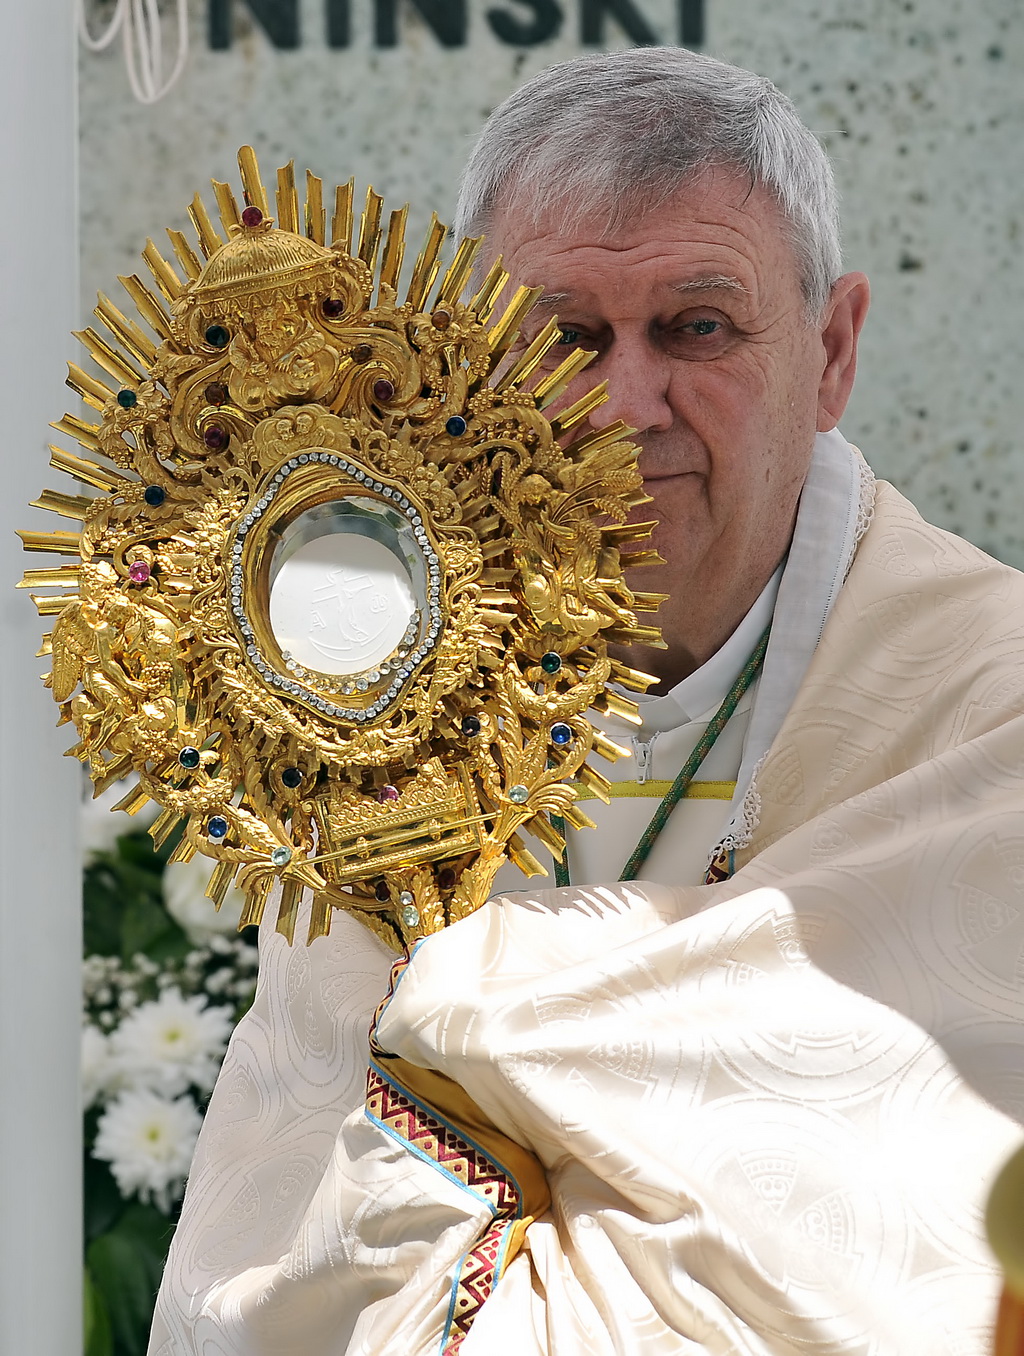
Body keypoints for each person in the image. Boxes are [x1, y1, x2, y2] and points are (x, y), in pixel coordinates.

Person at [149, 48, 1024, 1356]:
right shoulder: (374, 716)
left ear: (831, 354)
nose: (627, 403)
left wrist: (472, 1015)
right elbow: (282, 1242)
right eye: (564, 338)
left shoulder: (992, 705)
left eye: (697, 327)